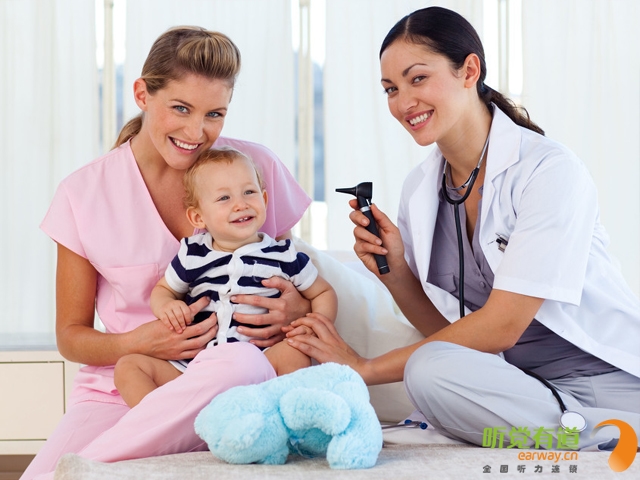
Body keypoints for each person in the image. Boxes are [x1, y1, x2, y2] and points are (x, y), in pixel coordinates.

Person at [287, 6, 640, 451]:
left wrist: (365, 368)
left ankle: (611, 428)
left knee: (424, 369)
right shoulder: (420, 188)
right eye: (391, 89)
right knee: (431, 371)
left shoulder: (548, 170)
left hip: (599, 378)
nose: (403, 102)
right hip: (517, 384)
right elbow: (447, 336)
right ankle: (583, 430)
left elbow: (500, 328)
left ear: (469, 70)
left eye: (417, 79)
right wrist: (394, 271)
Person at [24, 26, 313, 480]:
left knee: (237, 363)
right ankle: (176, 433)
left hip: (243, 382)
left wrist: (297, 309)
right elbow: (71, 337)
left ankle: (102, 462)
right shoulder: (83, 194)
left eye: (214, 114)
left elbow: (293, 276)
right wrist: (138, 343)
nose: (196, 132)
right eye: (180, 108)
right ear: (142, 94)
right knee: (41, 474)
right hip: (128, 388)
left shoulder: (255, 170)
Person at [114, 147, 337, 408]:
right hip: (195, 367)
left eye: (249, 192)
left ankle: (289, 415)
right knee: (128, 367)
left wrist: (312, 327)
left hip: (260, 362)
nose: (240, 204)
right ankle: (160, 420)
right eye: (224, 198)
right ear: (198, 217)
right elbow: (164, 290)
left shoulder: (283, 255)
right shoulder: (193, 254)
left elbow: (323, 292)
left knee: (294, 353)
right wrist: (167, 307)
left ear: (265, 199)